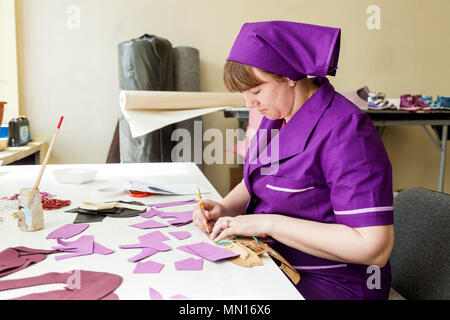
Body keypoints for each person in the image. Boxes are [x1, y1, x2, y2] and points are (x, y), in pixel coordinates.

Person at [193, 21, 394, 300]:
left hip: (335, 283)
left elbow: (374, 248)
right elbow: (261, 181)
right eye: (244, 94)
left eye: (256, 92)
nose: (250, 104)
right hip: (278, 262)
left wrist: (266, 224)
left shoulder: (347, 131)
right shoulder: (275, 119)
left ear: (289, 76)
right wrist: (226, 206)